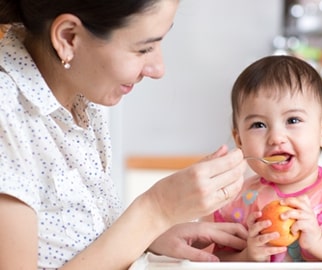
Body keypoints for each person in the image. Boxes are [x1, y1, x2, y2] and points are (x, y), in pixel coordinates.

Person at [0, 0, 249, 269]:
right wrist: (156, 211)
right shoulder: (7, 115)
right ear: (68, 37)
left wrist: (148, 240)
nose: (158, 69)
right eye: (144, 48)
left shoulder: (80, 102)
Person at [209, 55, 322, 262]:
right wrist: (247, 256)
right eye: (258, 125)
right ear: (239, 140)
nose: (276, 138)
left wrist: (319, 241)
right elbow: (214, 260)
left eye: (293, 120)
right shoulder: (235, 202)